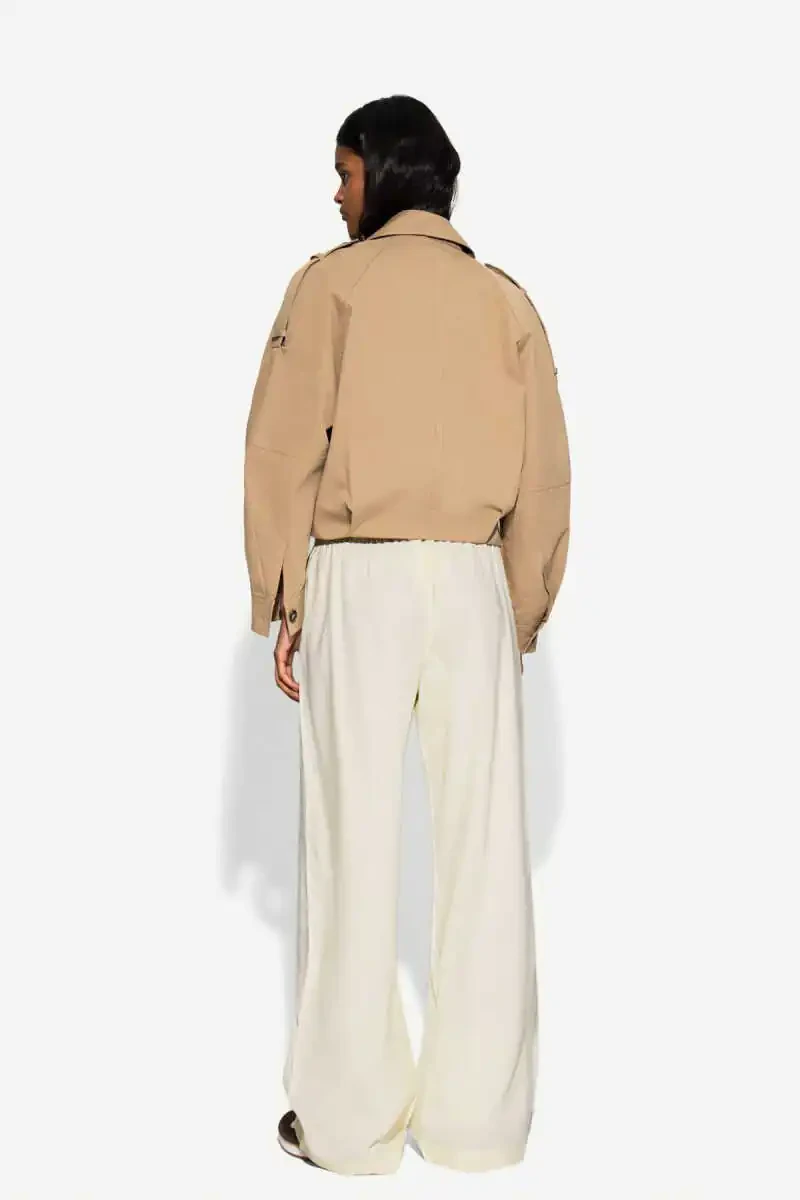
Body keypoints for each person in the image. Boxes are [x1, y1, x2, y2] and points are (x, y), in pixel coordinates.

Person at [243, 94, 571, 1175]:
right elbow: (544, 469)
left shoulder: (331, 286)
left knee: (350, 845)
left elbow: (283, 443)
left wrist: (283, 593)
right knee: (485, 852)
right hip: (474, 580)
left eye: (344, 172)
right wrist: (519, 606)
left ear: (385, 174)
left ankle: (346, 1126)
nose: (335, 193)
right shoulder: (503, 300)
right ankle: (479, 1127)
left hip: (362, 572)